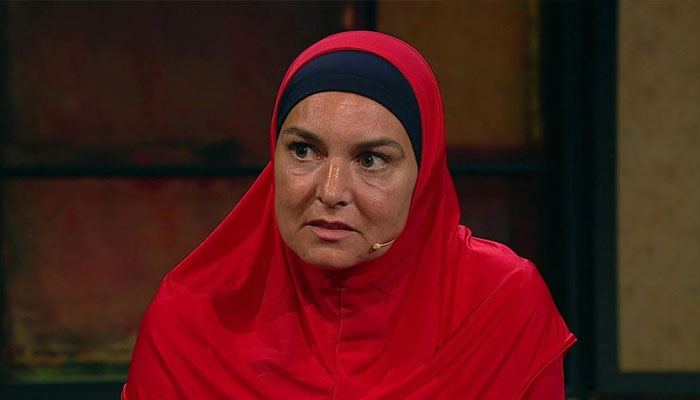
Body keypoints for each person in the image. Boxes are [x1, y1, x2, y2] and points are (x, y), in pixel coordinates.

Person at [122, 31, 575, 399]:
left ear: (423, 176)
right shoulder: (189, 319)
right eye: (304, 151)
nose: (331, 191)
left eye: (371, 160)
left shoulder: (500, 304)